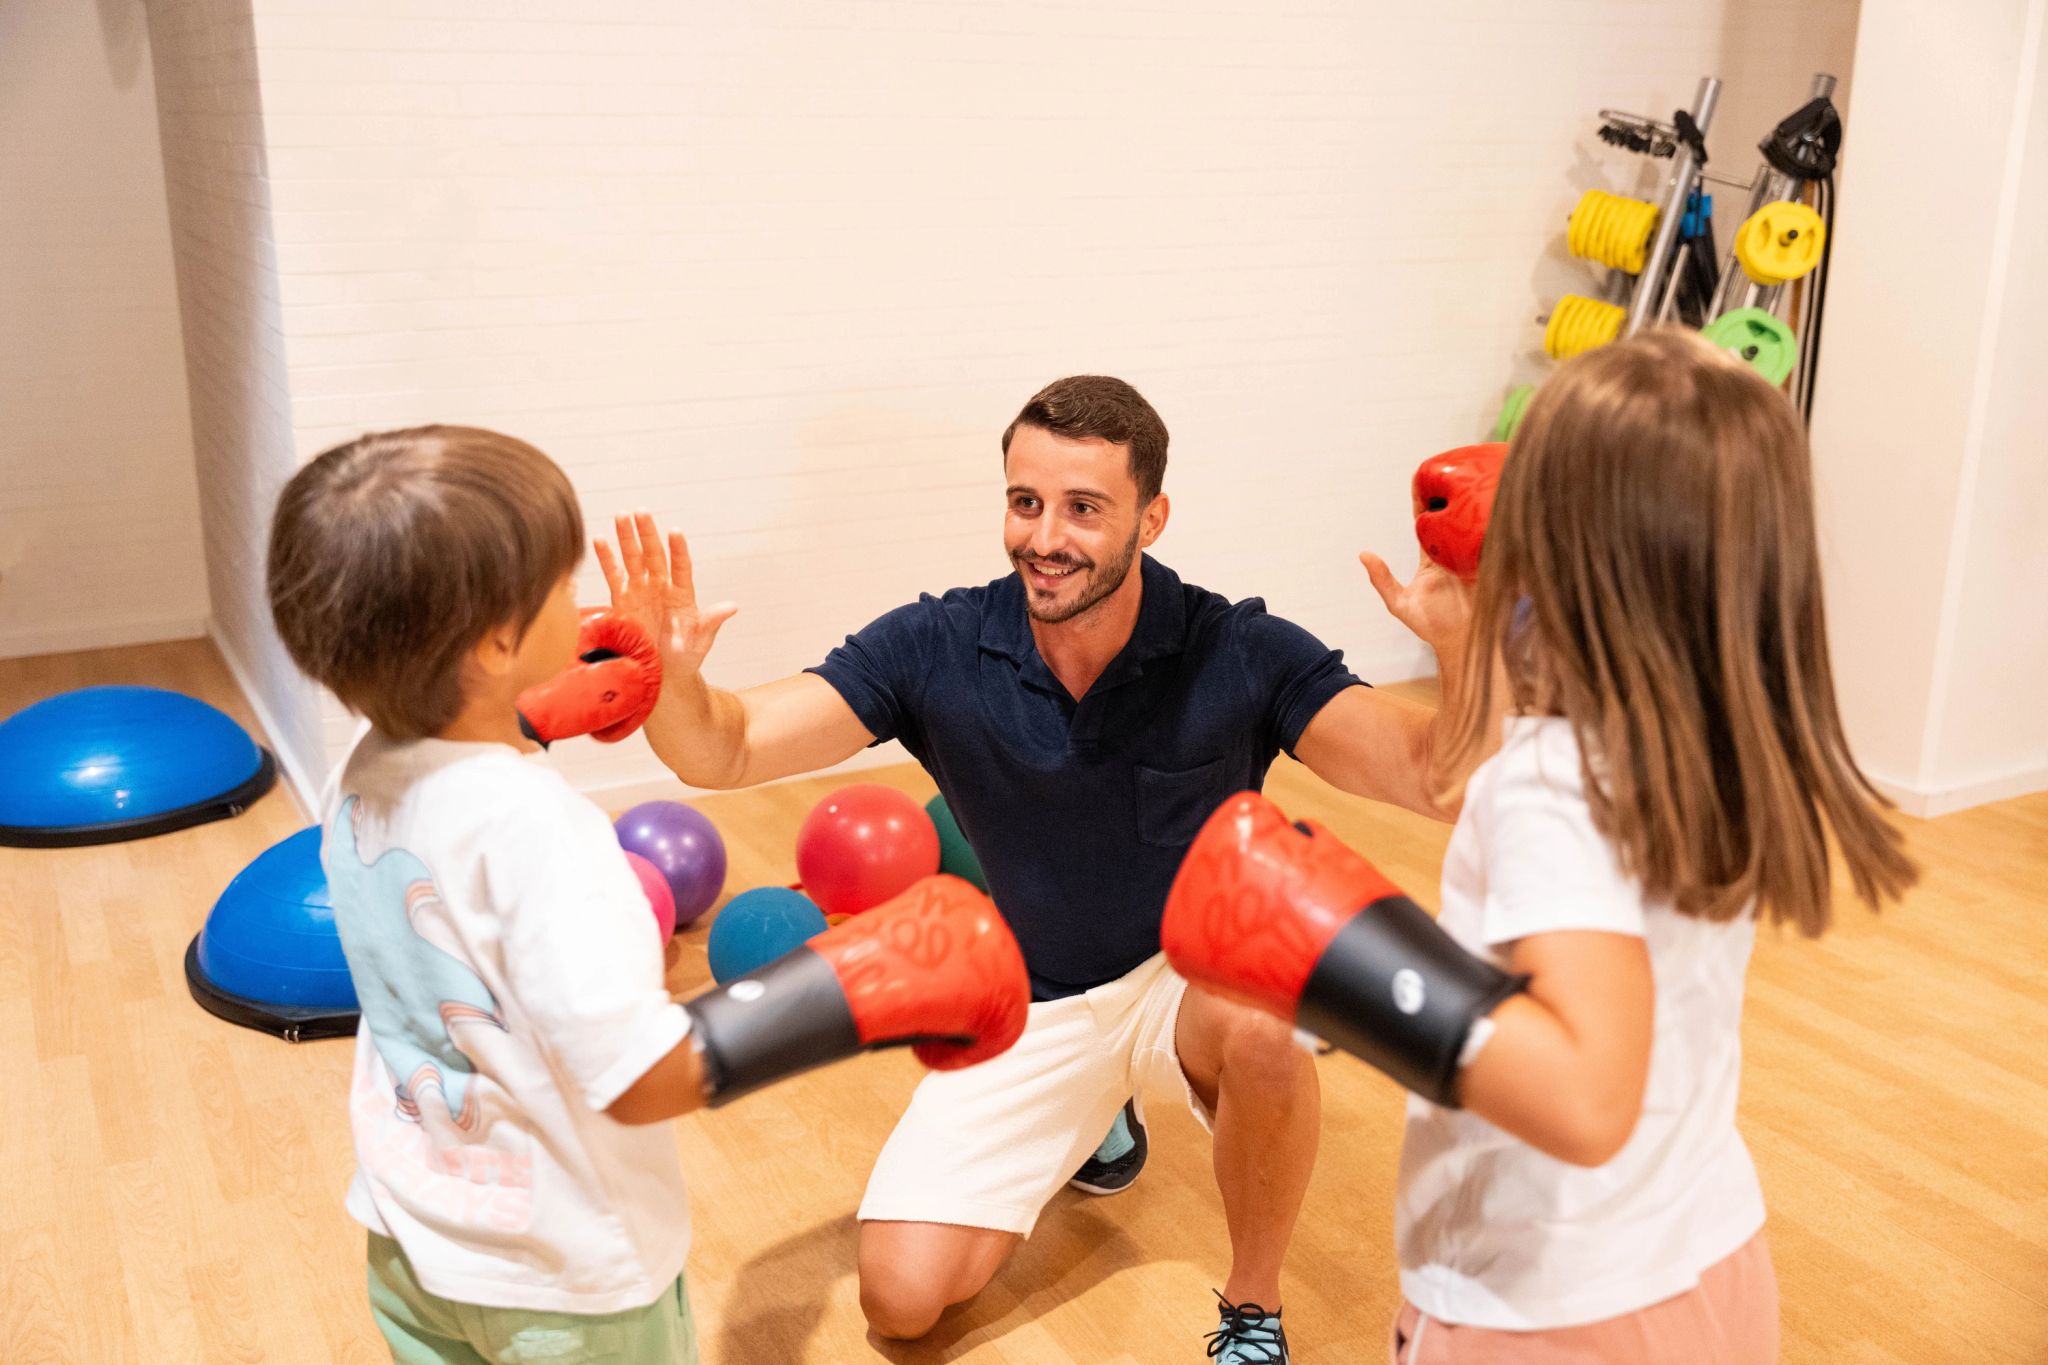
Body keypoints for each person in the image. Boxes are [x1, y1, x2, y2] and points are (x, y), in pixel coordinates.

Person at [600, 376, 1474, 1361]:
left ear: (1152, 518)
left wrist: (1460, 648)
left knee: (1268, 1026)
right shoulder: (938, 645)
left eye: (1083, 508)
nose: (1044, 537)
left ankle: (1252, 1306)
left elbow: (1432, 777)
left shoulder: (1236, 649)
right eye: (1026, 502)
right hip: (1034, 996)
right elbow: (728, 747)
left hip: (1188, 978)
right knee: (899, 1302)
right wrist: (673, 682)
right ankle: (1098, 1116)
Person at [1161, 330, 1919, 1363]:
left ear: (1572, 541)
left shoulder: (1556, 781)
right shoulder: (1713, 740)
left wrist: (1339, 962)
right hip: (1707, 1255)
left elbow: (1581, 1093)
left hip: (1544, 1301)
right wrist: (1464, 634)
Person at [267, 425, 1030, 1364]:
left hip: (413, 1239)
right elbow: (638, 1078)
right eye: (560, 586)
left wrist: (603, 690)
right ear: (498, 641)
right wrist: (858, 983)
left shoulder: (362, 766)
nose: (578, 601)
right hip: (562, 1283)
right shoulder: (543, 832)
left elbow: (469, 753)